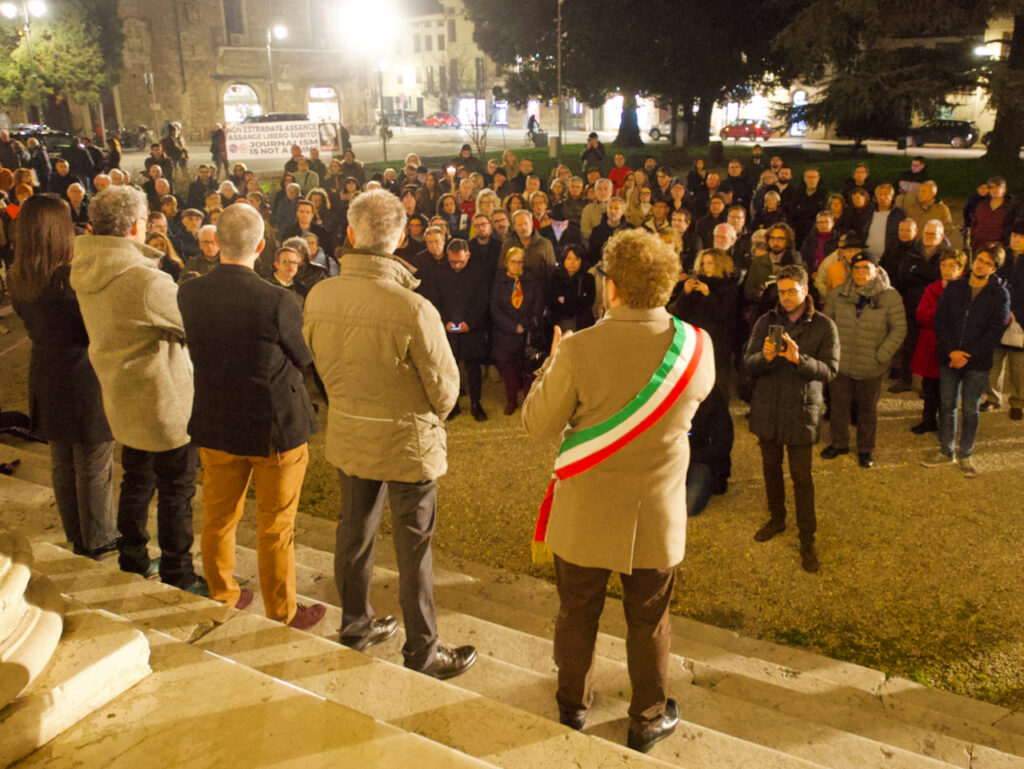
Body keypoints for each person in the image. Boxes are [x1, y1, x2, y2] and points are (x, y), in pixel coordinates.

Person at [522, 228, 714, 752]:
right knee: (650, 620)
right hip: (655, 515)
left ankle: (572, 703)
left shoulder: (580, 349)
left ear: (612, 288)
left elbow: (537, 425)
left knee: (577, 611)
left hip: (584, 512)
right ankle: (647, 716)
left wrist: (549, 365)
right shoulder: (698, 346)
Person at [303, 189, 476, 679]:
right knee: (413, 548)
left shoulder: (319, 294)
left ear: (352, 236)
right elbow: (445, 391)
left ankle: (355, 625)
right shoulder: (413, 308)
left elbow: (319, 367)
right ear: (400, 238)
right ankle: (422, 651)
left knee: (354, 534)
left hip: (352, 433)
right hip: (407, 443)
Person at [178, 203, 325, 629]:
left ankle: (222, 592)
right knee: (276, 525)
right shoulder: (277, 299)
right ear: (261, 247)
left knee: (218, 517)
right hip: (272, 429)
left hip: (216, 423)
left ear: (216, 244)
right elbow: (301, 357)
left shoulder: (189, 292)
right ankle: (283, 611)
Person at [69, 186, 206, 592]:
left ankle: (132, 557)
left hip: (121, 396)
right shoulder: (145, 281)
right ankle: (178, 572)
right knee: (176, 491)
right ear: (136, 225)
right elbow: (192, 325)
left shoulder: (87, 268)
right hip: (164, 403)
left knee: (136, 481)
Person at [10, 194, 117, 559]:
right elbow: (97, 329)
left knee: (62, 461)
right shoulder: (72, 280)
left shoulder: (19, 274)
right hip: (83, 377)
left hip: (45, 373)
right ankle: (99, 539)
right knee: (93, 465)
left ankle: (77, 535)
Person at [745, 264, 839, 573]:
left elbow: (830, 371)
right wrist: (766, 358)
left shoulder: (824, 326)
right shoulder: (765, 321)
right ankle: (777, 518)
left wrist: (800, 360)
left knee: (802, 478)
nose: (785, 297)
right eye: (781, 291)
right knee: (770, 469)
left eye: (791, 291)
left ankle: (807, 539)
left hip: (801, 410)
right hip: (768, 407)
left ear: (805, 291)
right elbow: (749, 363)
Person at [924, 247, 1010, 477]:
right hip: (949, 357)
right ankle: (946, 450)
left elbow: (995, 331)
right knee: (947, 405)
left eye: (987, 263)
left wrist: (967, 355)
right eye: (979, 260)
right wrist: (952, 351)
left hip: (976, 362)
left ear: (994, 268)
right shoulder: (954, 287)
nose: (980, 265)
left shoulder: (999, 294)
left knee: (971, 409)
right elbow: (940, 322)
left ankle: (966, 453)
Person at [821, 251, 906, 468]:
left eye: (866, 268)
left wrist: (881, 356)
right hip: (842, 363)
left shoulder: (890, 297)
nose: (860, 272)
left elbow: (899, 330)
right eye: (856, 268)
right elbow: (826, 327)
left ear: (876, 271)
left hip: (871, 365)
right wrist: (831, 355)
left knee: (867, 410)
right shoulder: (837, 295)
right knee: (838, 407)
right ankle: (839, 443)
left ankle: (865, 449)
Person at [434, 238, 491, 422]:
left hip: (471, 329)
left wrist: (470, 323)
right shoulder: (440, 272)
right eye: (452, 261)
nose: (457, 265)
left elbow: (482, 301)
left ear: (468, 255)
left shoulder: (478, 272)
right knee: (450, 369)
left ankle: (476, 404)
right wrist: (444, 321)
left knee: (473, 367)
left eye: (461, 261)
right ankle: (453, 404)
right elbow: (435, 301)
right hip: (448, 329)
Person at [911, 251, 967, 434]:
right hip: (930, 343)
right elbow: (921, 315)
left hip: (953, 345)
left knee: (949, 390)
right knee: (929, 387)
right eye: (943, 265)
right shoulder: (932, 288)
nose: (947, 270)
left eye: (952, 266)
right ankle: (928, 421)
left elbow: (963, 320)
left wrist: (937, 315)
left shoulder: (966, 289)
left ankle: (947, 425)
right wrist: (941, 311)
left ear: (961, 269)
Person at [548, 244, 596, 332]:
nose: (572, 262)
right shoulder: (555, 278)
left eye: (576, 259)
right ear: (563, 260)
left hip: (582, 324)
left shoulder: (588, 278)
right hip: (559, 323)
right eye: (569, 259)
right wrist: (575, 299)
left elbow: (588, 302)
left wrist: (565, 300)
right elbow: (552, 302)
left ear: (582, 260)